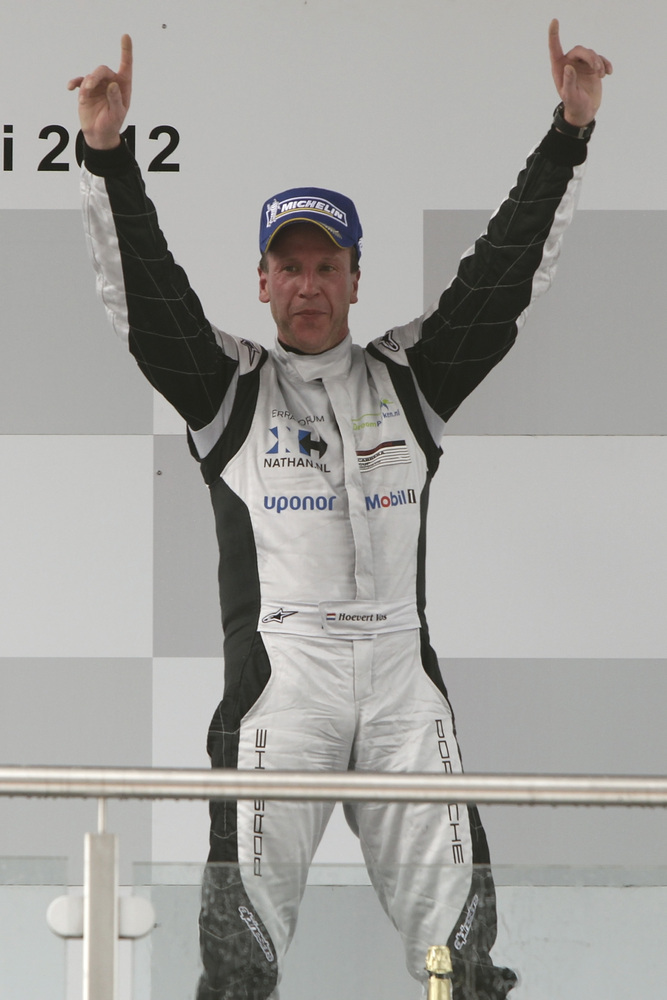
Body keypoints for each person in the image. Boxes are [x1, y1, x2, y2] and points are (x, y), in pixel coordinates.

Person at [69, 20, 611, 1000]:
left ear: (355, 276)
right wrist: (107, 157)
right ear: (262, 281)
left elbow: (501, 276)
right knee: (240, 963)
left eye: (328, 265)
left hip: (403, 684)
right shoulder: (230, 388)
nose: (309, 285)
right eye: (291, 266)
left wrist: (567, 133)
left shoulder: (410, 376)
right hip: (284, 685)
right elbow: (145, 300)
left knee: (462, 962)